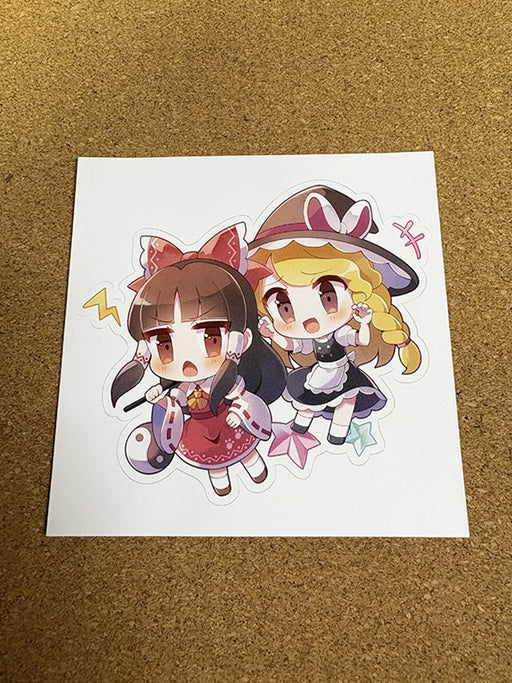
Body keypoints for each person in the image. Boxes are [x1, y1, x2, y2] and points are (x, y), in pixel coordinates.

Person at [111, 224, 286, 496]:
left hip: (230, 424)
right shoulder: (182, 387)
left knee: (248, 455)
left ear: (241, 340)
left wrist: (238, 413)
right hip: (200, 432)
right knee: (214, 465)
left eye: (211, 339)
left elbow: (241, 398)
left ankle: (255, 468)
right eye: (166, 345)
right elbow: (176, 403)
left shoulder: (229, 381)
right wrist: (162, 398)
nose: (187, 364)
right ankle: (221, 483)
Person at [248, 186, 421, 446]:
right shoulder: (309, 340)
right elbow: (292, 345)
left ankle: (338, 431)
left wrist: (364, 322)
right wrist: (272, 334)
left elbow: (361, 340)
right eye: (285, 307)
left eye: (328, 297)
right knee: (307, 399)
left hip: (341, 372)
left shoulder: (340, 334)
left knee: (347, 399)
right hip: (319, 372)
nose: (309, 321)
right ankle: (300, 425)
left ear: (358, 290)